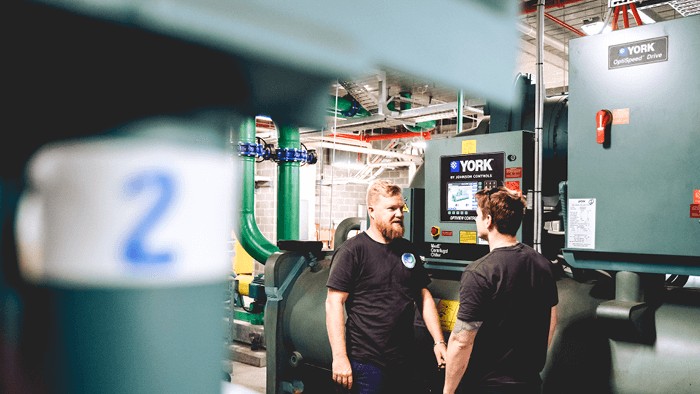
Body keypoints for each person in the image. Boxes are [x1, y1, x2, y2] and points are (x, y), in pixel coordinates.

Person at [326, 180, 446, 394]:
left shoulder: (407, 249)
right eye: (391, 208)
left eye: (401, 208)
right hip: (367, 363)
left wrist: (439, 342)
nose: (399, 214)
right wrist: (340, 357)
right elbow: (334, 303)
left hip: (405, 360)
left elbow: (423, 295)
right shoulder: (353, 251)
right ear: (372, 211)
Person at [443, 187, 558, 394]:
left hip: (487, 386)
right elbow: (552, 320)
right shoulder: (542, 264)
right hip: (530, 384)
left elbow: (461, 342)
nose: (476, 219)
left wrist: (448, 391)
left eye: (477, 214)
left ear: (488, 220)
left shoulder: (479, 272)